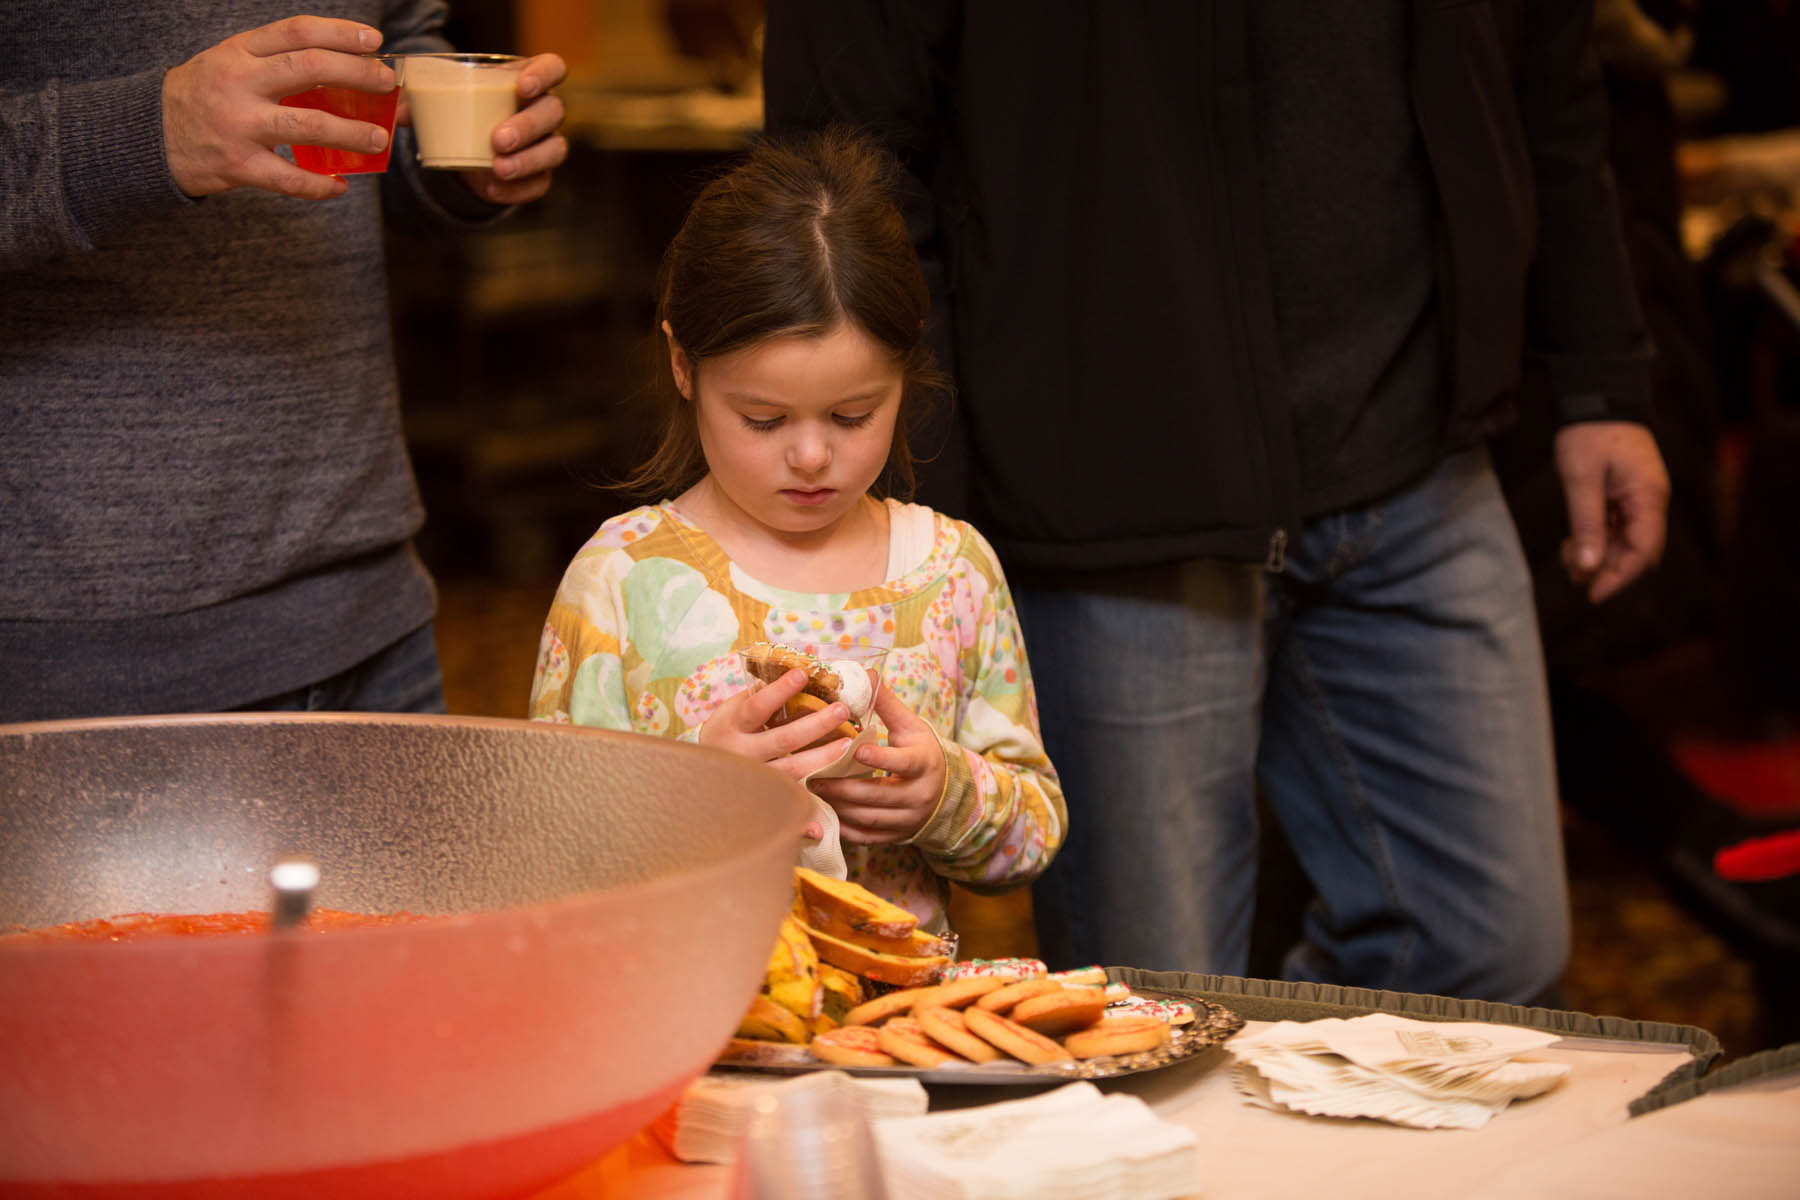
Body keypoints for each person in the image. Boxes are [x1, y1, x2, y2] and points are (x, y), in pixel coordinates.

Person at [764, 1, 1672, 1003]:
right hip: (1109, 489)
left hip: (1418, 453)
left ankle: (1284, 1109)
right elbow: (847, 155)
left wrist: (1599, 377)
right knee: (1160, 1002)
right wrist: (927, 529)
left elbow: (1551, 63)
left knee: (1490, 948)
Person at [528, 130, 1065, 933]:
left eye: (855, 415)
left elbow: (1031, 837)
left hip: (898, 1035)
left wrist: (945, 794)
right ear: (683, 366)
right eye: (763, 417)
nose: (812, 456)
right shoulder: (620, 579)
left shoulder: (954, 573)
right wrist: (696, 797)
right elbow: (539, 860)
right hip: (693, 1025)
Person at [0, 5, 567, 721]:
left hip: (371, 614)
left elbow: (389, 45)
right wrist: (148, 132)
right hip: (72, 659)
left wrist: (458, 164)